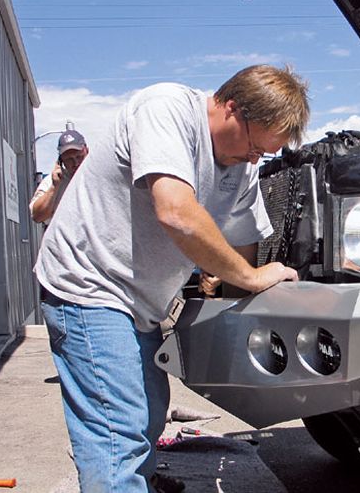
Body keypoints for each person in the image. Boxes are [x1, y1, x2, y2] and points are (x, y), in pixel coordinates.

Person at [34, 64, 309, 493]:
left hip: (141, 301)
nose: (255, 159)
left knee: (148, 416)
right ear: (232, 107)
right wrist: (252, 278)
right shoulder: (166, 109)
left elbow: (242, 244)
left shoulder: (243, 165)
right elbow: (176, 213)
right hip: (89, 285)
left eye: (265, 154)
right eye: (256, 146)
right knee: (118, 432)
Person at [29, 129, 89, 224]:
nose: (76, 163)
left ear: (87, 151)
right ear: (61, 160)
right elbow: (37, 216)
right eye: (69, 159)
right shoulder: (53, 181)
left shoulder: (101, 175)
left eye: (79, 156)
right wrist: (54, 187)